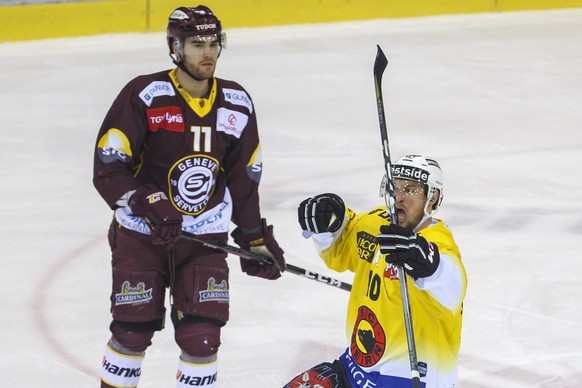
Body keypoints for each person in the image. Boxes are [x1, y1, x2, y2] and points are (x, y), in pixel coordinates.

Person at [93, 5, 286, 388]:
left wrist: (255, 239)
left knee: (202, 339)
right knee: (132, 334)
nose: (208, 52)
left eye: (214, 42)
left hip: (204, 236)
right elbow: (108, 168)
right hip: (140, 236)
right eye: (197, 43)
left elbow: (243, 178)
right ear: (175, 47)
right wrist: (147, 202)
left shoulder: (236, 101)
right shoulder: (146, 94)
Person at [285, 155, 467, 388]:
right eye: (394, 187)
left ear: (433, 197)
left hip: (410, 380)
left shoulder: (438, 242)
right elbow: (343, 243)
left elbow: (452, 281)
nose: (399, 197)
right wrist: (329, 220)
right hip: (354, 369)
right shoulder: (377, 222)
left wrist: (426, 261)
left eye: (410, 190)